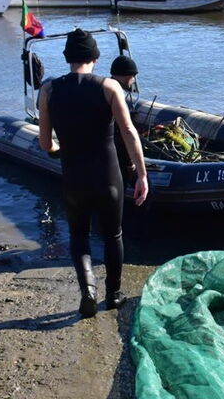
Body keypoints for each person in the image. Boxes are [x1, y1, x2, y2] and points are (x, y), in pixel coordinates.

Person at [38, 29, 149, 318]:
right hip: (108, 175)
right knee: (113, 235)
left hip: (74, 176)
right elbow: (128, 132)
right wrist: (141, 174)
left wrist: (60, 150)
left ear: (66, 58)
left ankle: (88, 289)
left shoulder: (48, 90)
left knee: (79, 235)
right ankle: (113, 295)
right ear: (96, 58)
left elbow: (45, 143)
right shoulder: (109, 87)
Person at [110, 55, 139, 187]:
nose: (133, 81)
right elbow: (124, 132)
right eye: (133, 77)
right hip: (118, 157)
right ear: (128, 76)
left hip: (103, 156)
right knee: (148, 193)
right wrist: (132, 163)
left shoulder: (103, 88)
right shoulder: (118, 96)